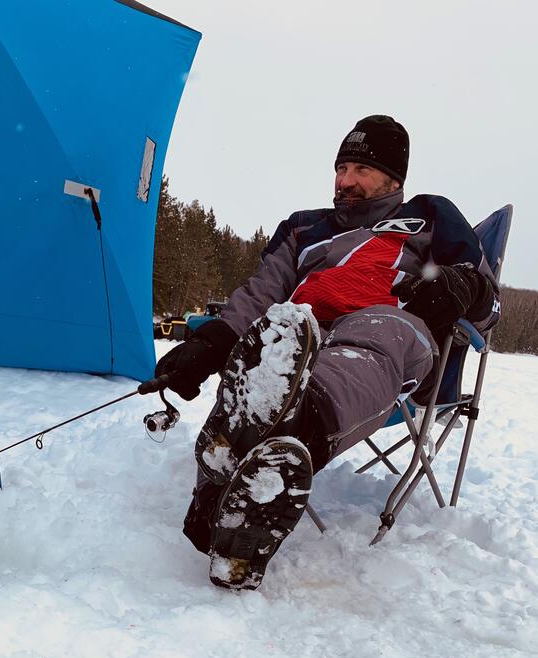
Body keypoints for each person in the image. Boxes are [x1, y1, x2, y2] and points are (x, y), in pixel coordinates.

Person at [155, 115, 498, 590]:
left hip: (391, 329)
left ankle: (297, 429)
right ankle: (220, 508)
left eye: (360, 168)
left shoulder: (431, 215)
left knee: (376, 330)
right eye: (341, 168)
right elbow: (261, 293)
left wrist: (463, 286)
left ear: (393, 178)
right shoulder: (302, 229)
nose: (345, 181)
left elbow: (489, 301)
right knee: (270, 342)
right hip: (305, 339)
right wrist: (209, 342)